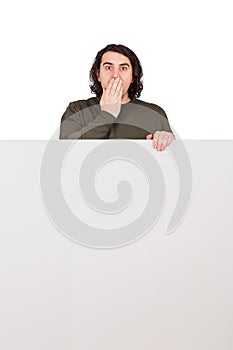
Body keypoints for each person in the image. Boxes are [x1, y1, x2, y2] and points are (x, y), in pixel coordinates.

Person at [59, 44, 175, 151]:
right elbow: (66, 150)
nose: (115, 75)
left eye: (123, 68)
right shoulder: (77, 109)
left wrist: (168, 140)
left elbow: (170, 160)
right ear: (98, 75)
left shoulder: (154, 113)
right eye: (108, 68)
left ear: (133, 77)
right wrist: (107, 115)